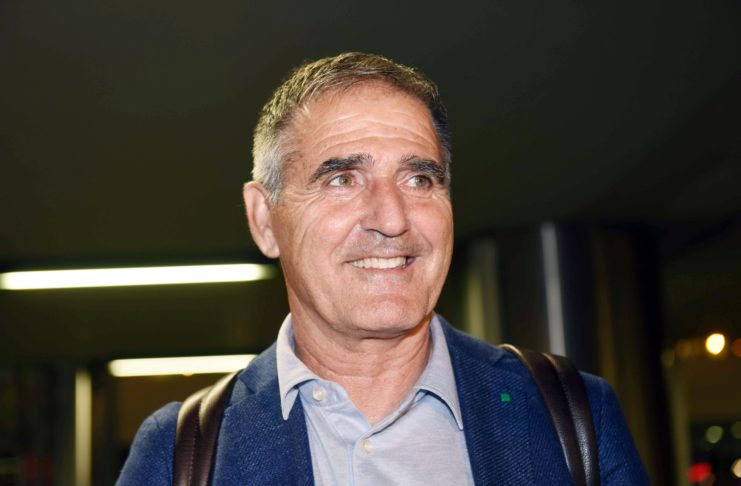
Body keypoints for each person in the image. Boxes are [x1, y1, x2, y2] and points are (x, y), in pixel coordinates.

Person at [117, 52, 648, 485]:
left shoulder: (572, 417)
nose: (392, 219)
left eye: (420, 180)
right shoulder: (183, 454)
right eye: (342, 179)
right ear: (264, 220)